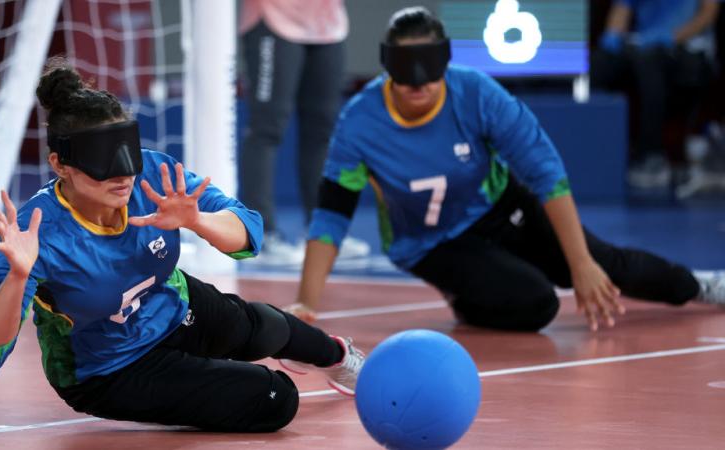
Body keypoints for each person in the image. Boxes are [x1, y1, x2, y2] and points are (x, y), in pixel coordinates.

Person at [0, 59, 364, 432]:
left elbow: (249, 234)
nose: (122, 175)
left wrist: (197, 220)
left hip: (172, 305)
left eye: (126, 153)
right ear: (60, 164)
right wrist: (18, 276)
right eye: (102, 159)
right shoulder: (37, 232)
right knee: (275, 398)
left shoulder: (153, 174)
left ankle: (338, 356)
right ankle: (200, 376)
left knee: (269, 328)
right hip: (110, 369)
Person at [285, 7, 725, 332]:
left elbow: (545, 172)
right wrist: (307, 303)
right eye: (405, 71)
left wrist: (581, 264)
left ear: (445, 61)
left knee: (604, 263)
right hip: (430, 243)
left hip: (501, 206)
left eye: (429, 68)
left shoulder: (476, 93)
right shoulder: (360, 122)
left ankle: (698, 286)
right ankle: (466, 297)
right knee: (536, 304)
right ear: (386, 66)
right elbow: (332, 215)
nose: (418, 83)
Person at [239, 0, 369, 262]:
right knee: (266, 128)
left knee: (322, 131)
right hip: (273, 19)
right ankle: (261, 236)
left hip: (327, 26)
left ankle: (322, 232)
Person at [591, 0, 720, 189]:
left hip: (690, 50)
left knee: (648, 63)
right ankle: (592, 153)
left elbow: (707, 14)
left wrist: (671, 36)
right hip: (644, 44)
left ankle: (651, 157)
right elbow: (620, 12)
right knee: (600, 62)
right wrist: (613, 35)